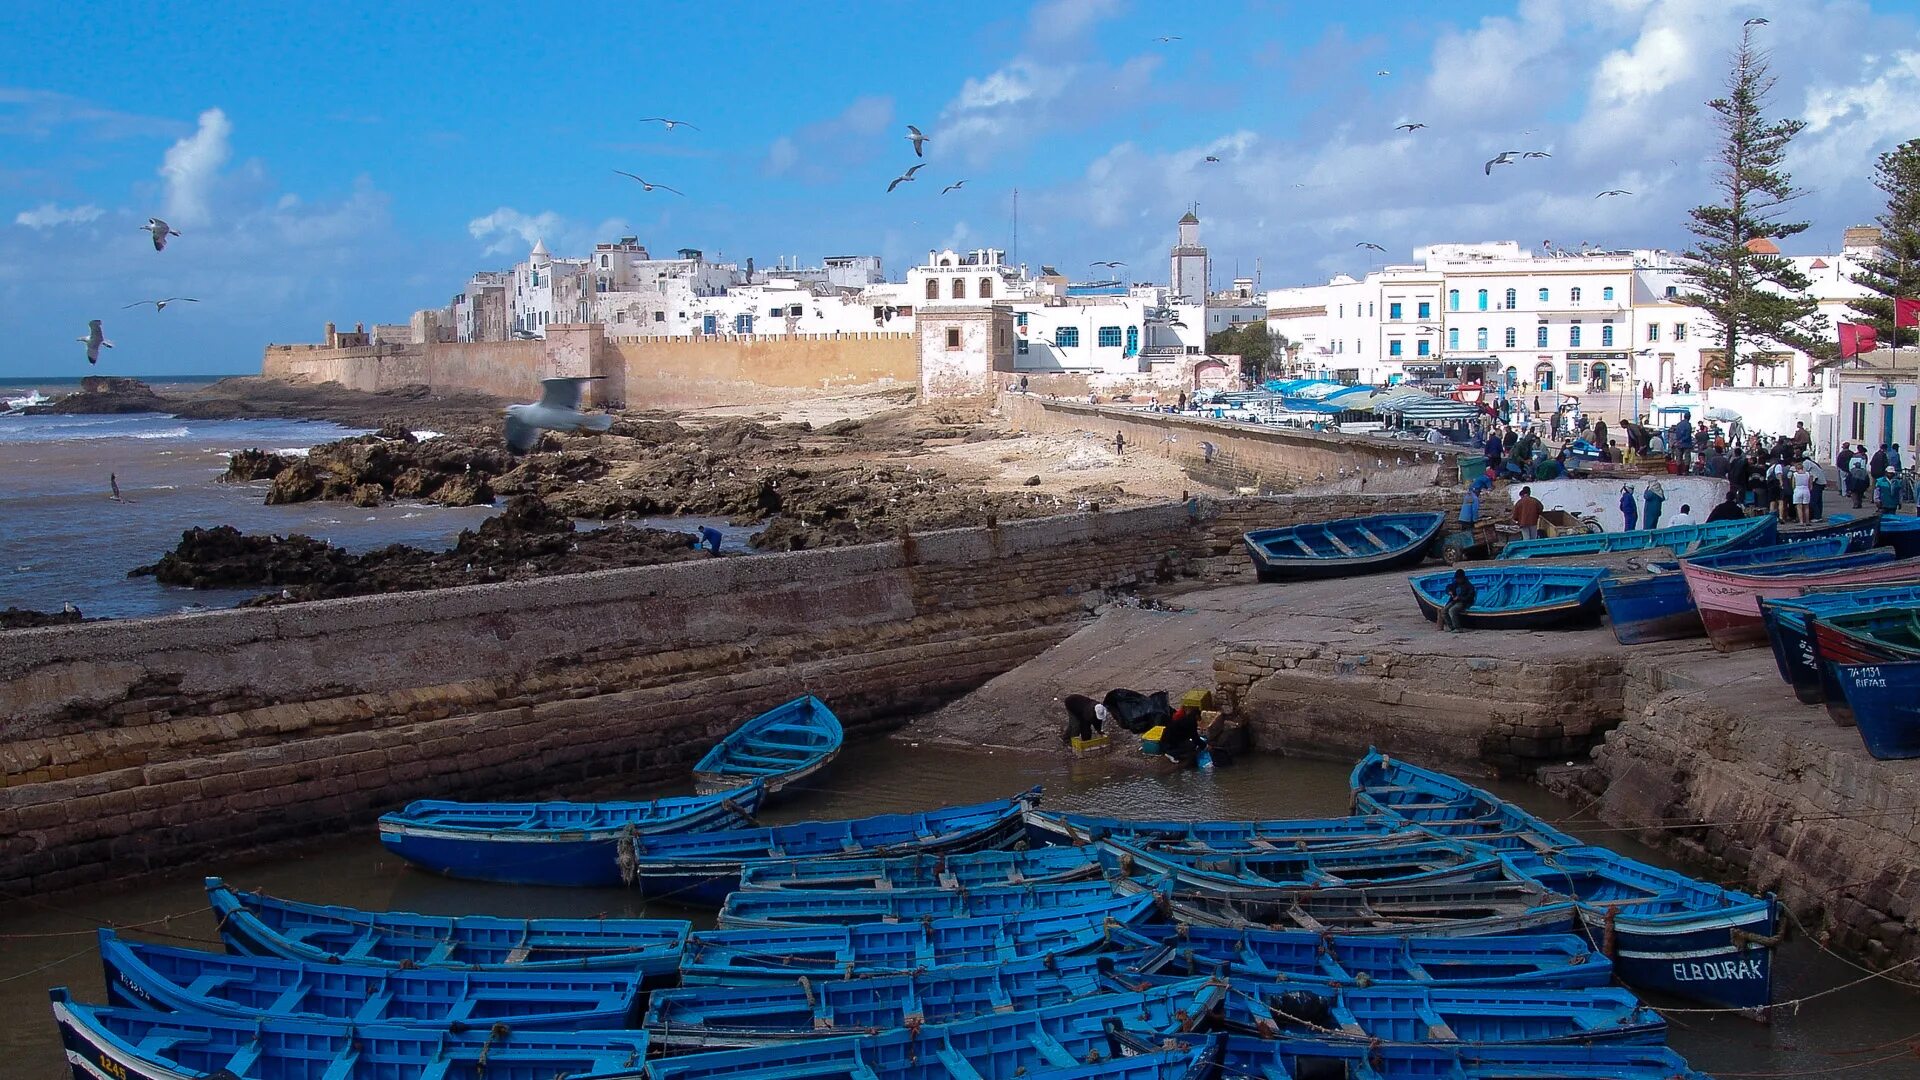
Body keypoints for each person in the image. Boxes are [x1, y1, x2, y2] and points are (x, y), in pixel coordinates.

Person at [1439, 568, 1477, 633]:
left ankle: (1458, 628)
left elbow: (1470, 597)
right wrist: (1449, 591)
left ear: (1462, 578)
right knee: (1444, 611)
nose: (1457, 580)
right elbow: (1448, 587)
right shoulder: (1455, 583)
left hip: (1464, 602)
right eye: (1456, 579)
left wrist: (1459, 598)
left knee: (1452, 610)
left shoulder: (1469, 586)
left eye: (1459, 579)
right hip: (1454, 601)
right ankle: (1451, 627)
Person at [1805, 454, 1827, 518]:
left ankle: (1816, 516)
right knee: (1818, 500)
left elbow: (1804, 472)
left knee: (1813, 501)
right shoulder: (1813, 463)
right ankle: (1818, 515)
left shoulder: (1806, 463)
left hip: (1817, 483)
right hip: (1821, 482)